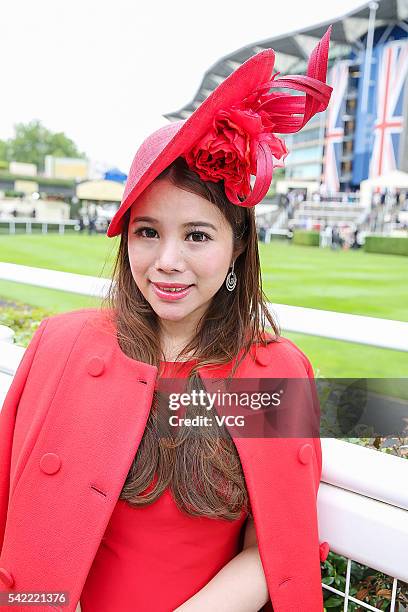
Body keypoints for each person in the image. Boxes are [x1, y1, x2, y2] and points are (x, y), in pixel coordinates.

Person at [0, 26, 333, 612]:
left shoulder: (273, 371)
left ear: (237, 249)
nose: (167, 263)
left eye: (197, 235)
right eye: (147, 233)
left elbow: (276, 545)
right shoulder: (64, 344)